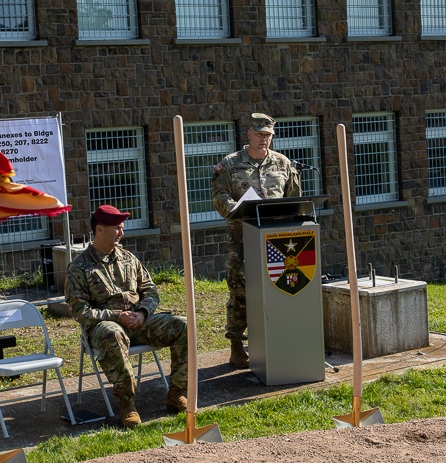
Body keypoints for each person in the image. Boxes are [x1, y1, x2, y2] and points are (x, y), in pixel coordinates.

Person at [64, 204, 188, 428]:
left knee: (183, 325)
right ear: (99, 230)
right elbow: (80, 311)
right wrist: (115, 316)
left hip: (138, 321)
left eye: (122, 228)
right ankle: (127, 404)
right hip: (105, 327)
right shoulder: (80, 267)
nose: (122, 233)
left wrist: (142, 313)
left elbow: (150, 291)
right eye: (117, 228)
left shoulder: (128, 258)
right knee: (113, 334)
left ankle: (177, 392)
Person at [211, 112, 301, 368]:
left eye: (268, 135)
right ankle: (237, 346)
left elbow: (293, 199)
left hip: (277, 241)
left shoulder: (283, 164)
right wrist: (237, 209)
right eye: (259, 134)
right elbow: (219, 196)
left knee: (278, 288)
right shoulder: (229, 164)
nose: (263, 139)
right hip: (242, 239)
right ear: (248, 133)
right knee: (240, 291)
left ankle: (274, 340)